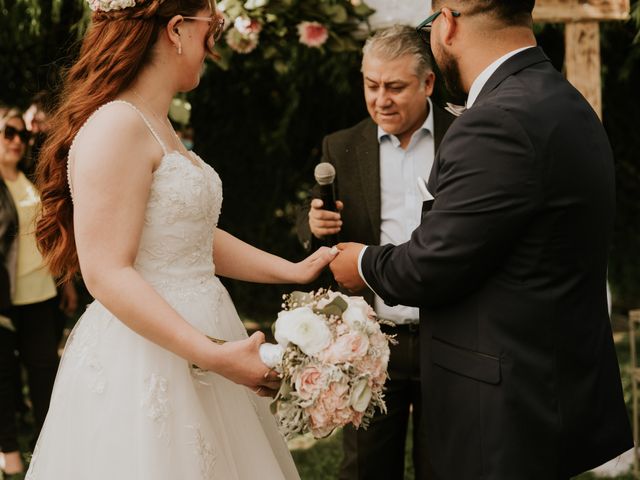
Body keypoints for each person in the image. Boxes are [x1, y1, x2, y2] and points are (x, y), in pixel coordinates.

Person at [25, 0, 335, 478]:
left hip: (205, 326)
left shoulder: (158, 122)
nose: (214, 44)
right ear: (176, 30)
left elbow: (187, 237)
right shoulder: (116, 125)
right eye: (214, 26)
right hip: (147, 351)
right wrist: (212, 354)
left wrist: (291, 270)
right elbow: (106, 271)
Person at [329, 1, 633, 478]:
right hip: (549, 390)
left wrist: (363, 262)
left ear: (447, 23)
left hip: (500, 407)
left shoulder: (497, 120)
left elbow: (432, 263)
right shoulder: (565, 102)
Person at [297, 25, 454, 479]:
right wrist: (314, 225)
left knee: (445, 465)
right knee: (365, 468)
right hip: (370, 342)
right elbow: (320, 230)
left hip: (447, 334)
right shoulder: (342, 145)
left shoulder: (464, 135)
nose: (380, 99)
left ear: (427, 83)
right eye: (371, 85)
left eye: (395, 87)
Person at [0, 109, 78, 479]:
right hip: (4, 300)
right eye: (8, 132)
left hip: (41, 295)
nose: (17, 140)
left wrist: (65, 283)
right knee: (2, 376)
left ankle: (52, 448)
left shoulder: (29, 180)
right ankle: (10, 454)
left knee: (45, 372)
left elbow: (51, 234)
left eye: (21, 135)